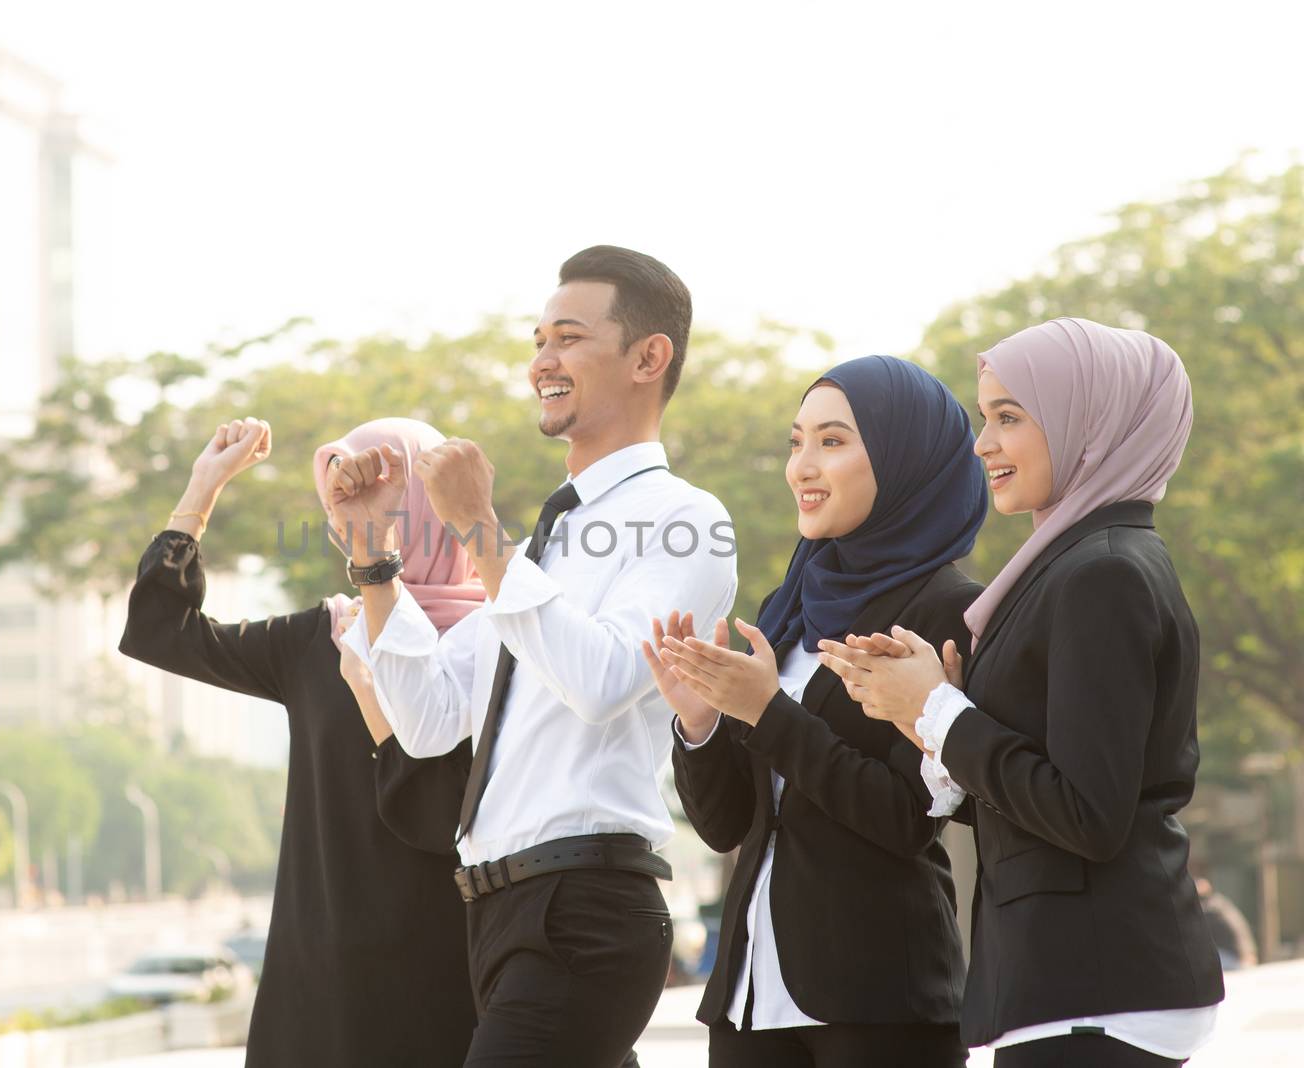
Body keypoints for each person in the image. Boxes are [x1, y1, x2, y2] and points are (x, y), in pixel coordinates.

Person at [335, 245, 738, 1066]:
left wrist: (478, 531)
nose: (540, 363)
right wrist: (375, 559)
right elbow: (430, 722)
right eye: (537, 341)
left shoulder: (688, 519)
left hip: (582, 907)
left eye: (566, 338)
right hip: (496, 912)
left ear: (648, 358)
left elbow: (601, 681)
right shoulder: (544, 547)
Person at [818, 318, 1225, 1067]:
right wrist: (928, 722)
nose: (984, 445)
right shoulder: (1069, 568)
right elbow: (1031, 797)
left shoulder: (1102, 574)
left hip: (1097, 986)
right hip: (1066, 982)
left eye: (1010, 418)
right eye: (984, 418)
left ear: (1088, 425)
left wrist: (939, 712)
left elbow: (1087, 814)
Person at [650, 355, 984, 1067]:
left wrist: (768, 712)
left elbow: (906, 818)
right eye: (795, 442)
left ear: (904, 461)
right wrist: (702, 724)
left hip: (877, 998)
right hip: (747, 998)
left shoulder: (946, 611)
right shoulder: (790, 607)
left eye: (832, 441)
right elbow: (728, 825)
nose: (802, 465)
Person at [117, 416, 478, 1066]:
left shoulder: (497, 638)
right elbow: (158, 630)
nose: (365, 511)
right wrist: (203, 487)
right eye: (345, 496)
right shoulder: (323, 638)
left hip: (459, 968)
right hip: (325, 976)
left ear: (435, 500)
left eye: (388, 490)